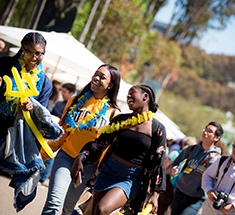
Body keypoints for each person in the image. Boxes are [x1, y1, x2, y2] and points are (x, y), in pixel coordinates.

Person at [0, 32, 53, 215]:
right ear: (22, 48)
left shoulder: (44, 84)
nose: (35, 58)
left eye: (40, 53)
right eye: (29, 52)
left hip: (8, 137)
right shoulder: (2, 64)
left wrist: (30, 107)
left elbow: (39, 117)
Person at [71, 84, 167, 215]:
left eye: (132, 92)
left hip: (130, 178)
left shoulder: (157, 129)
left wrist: (155, 194)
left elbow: (158, 162)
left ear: (145, 97)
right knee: (94, 212)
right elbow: (100, 144)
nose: (128, 96)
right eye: (128, 94)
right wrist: (81, 156)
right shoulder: (120, 120)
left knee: (102, 209)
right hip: (108, 170)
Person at [41, 64, 121, 215]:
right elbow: (62, 132)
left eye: (102, 77)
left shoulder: (113, 114)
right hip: (66, 157)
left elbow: (106, 148)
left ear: (111, 85)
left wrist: (98, 173)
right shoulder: (75, 102)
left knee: (68, 209)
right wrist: (43, 155)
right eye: (96, 74)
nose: (96, 78)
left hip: (88, 167)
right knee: (54, 203)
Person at [170, 122, 223, 215]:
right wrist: (173, 170)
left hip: (196, 199)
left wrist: (211, 161)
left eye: (209, 131)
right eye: (205, 129)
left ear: (216, 138)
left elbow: (215, 178)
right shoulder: (191, 149)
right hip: (179, 192)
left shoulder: (217, 158)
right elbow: (175, 164)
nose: (205, 132)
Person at [158, 136, 197, 215]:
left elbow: (164, 166)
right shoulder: (193, 159)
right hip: (182, 186)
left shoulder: (175, 153)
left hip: (170, 183)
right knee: (171, 207)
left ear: (182, 144)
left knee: (163, 206)